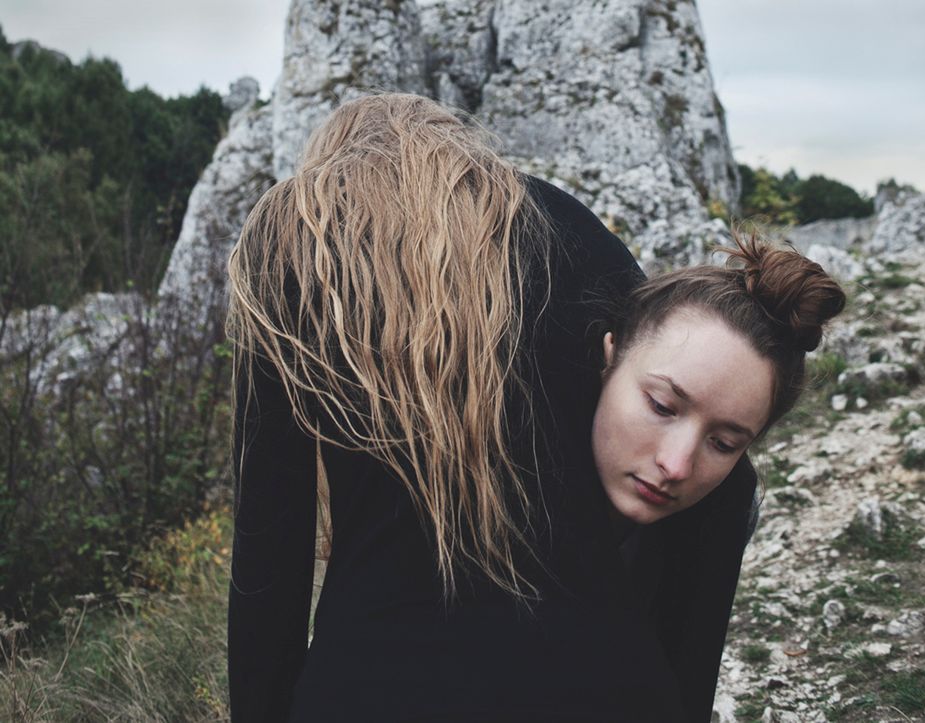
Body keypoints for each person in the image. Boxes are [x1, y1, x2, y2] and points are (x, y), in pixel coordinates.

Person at [227, 92, 690, 722]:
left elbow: (269, 551)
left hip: (373, 684)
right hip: (598, 677)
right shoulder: (575, 231)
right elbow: (676, 460)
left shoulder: (297, 243)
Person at [590, 236, 846, 721]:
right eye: (663, 406)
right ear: (610, 357)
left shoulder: (714, 530)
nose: (678, 465)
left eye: (725, 443)